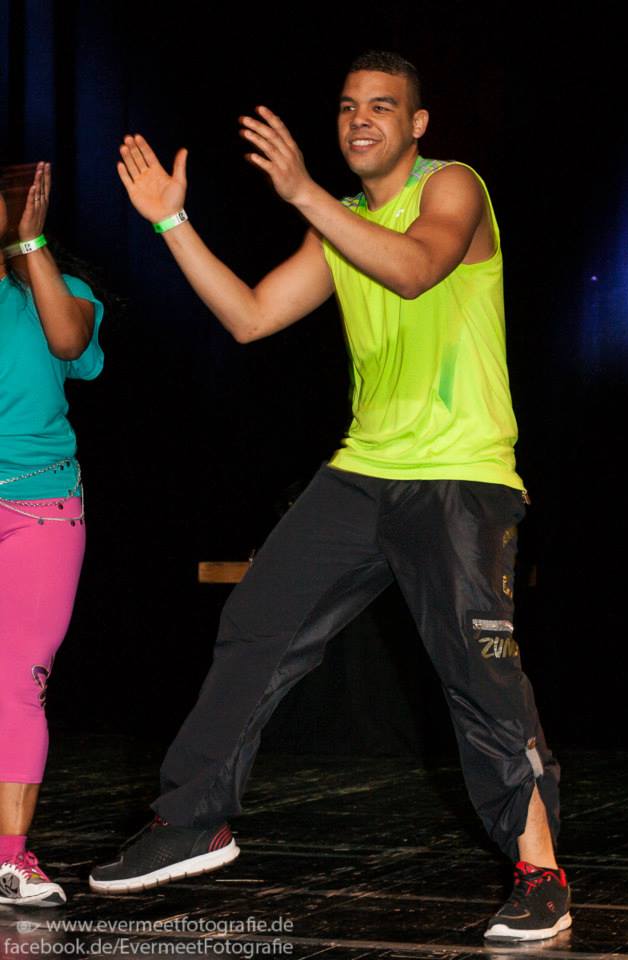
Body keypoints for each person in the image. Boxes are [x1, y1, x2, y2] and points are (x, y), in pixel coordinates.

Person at [90, 51, 569, 941]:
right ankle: (192, 821)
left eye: (382, 107)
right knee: (257, 621)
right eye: (349, 107)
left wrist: (306, 193)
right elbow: (250, 316)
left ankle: (540, 871)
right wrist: (171, 222)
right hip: (363, 471)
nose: (360, 120)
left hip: (459, 473)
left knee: (477, 674)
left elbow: (416, 269)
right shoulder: (338, 224)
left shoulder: (451, 187)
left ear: (417, 125)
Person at [0, 162, 104, 906]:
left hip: (39, 512)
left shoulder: (60, 294)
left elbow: (70, 342)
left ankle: (9, 858)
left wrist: (30, 243)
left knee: (15, 683)